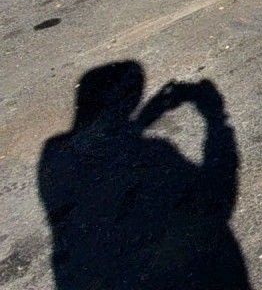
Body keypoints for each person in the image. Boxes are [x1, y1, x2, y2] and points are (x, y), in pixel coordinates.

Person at [38, 62, 250, 289]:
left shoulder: (56, 154)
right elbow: (218, 194)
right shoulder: (156, 154)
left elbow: (112, 149)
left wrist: (147, 116)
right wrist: (216, 118)